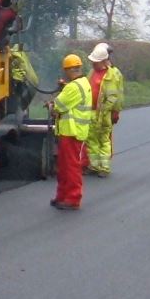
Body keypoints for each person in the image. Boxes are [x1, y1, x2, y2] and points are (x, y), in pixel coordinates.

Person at [50, 52, 93, 211]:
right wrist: (65, 87)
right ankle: (62, 196)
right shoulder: (83, 83)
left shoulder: (73, 87)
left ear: (68, 70)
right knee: (64, 167)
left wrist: (51, 105)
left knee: (70, 167)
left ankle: (73, 198)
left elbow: (58, 106)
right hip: (72, 132)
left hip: (71, 132)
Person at [84, 42, 125, 177]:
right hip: (91, 112)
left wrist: (111, 112)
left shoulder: (111, 75)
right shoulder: (92, 72)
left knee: (103, 140)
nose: (93, 64)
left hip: (104, 114)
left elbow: (113, 97)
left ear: (102, 61)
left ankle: (104, 168)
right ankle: (94, 166)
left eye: (95, 62)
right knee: (92, 140)